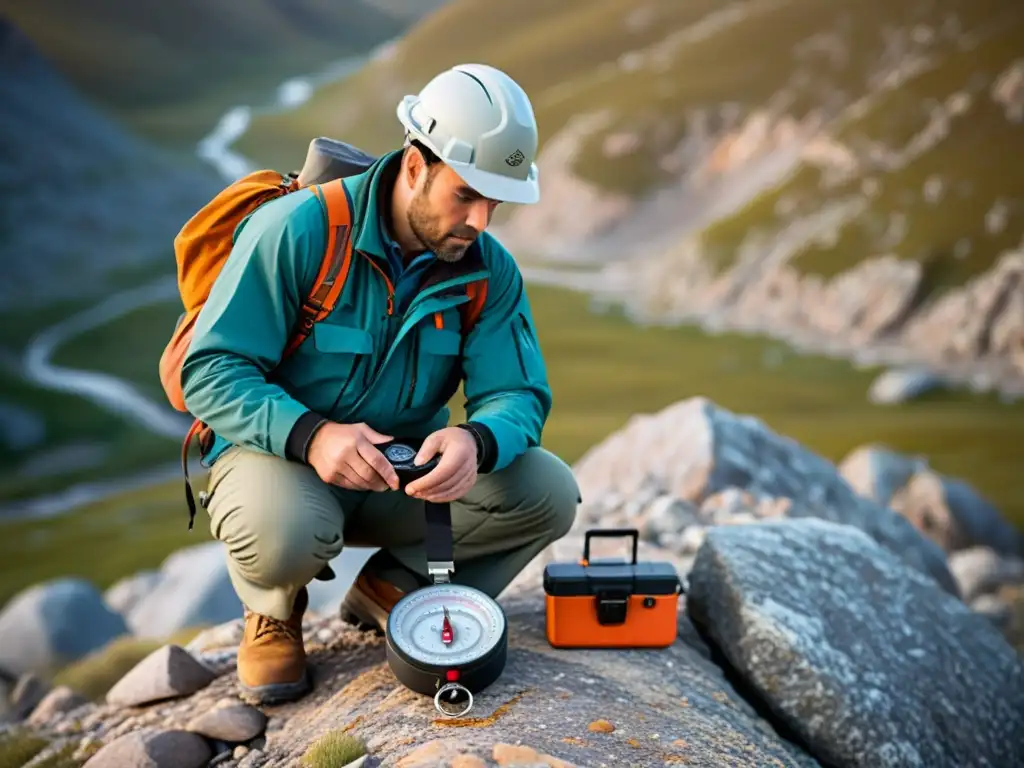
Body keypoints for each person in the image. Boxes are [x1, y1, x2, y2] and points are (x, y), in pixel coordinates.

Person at [179, 63, 580, 704]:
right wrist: (312, 437)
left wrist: (477, 440)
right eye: (466, 195)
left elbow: (519, 394)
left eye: (496, 202)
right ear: (415, 165)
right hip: (281, 464)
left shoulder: (488, 272)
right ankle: (274, 612)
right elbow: (210, 369)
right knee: (283, 535)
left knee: (548, 491)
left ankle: (394, 588)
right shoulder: (299, 231)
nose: (481, 221)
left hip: (400, 474)